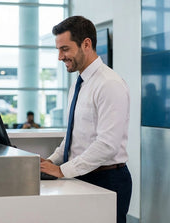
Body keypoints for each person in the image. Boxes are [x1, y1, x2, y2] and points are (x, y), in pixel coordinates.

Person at [40, 16, 132, 223]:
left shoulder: (109, 84)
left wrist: (62, 171)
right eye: (58, 50)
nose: (59, 57)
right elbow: (73, 136)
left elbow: (107, 144)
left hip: (106, 179)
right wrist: (51, 161)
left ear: (86, 44)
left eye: (65, 49)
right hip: (81, 175)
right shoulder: (79, 83)